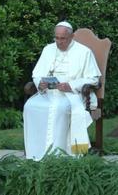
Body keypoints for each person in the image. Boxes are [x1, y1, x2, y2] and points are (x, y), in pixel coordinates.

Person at [23, 21, 101, 161]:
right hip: (49, 93)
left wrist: (71, 85)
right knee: (30, 106)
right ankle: (35, 152)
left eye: (62, 38)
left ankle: (58, 154)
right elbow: (37, 74)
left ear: (71, 37)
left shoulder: (84, 52)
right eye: (56, 38)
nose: (59, 42)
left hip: (73, 95)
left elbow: (94, 79)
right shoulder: (48, 49)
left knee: (58, 108)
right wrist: (40, 83)